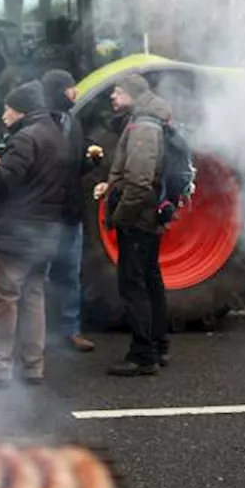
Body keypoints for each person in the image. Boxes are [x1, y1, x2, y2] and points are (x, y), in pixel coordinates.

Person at [0, 80, 71, 387]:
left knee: (3, 298)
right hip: (46, 233)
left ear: (22, 110)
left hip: (16, 233)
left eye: (8, 109)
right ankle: (33, 367)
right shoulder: (56, 134)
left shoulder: (25, 138)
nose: (3, 115)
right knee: (33, 295)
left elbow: (5, 180)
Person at [101, 74, 171, 377]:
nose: (113, 97)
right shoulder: (152, 119)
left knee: (134, 283)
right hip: (149, 216)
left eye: (116, 92)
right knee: (151, 278)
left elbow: (139, 181)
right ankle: (159, 344)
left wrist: (119, 217)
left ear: (132, 94)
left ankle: (143, 355)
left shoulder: (143, 126)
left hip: (138, 218)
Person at [40, 68, 96, 352]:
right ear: (59, 91)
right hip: (45, 215)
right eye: (70, 87)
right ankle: (42, 333)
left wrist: (90, 161)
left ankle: (70, 330)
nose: (75, 92)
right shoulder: (38, 124)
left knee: (69, 274)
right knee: (41, 276)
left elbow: (76, 164)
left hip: (71, 214)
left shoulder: (74, 123)